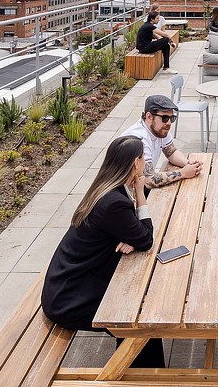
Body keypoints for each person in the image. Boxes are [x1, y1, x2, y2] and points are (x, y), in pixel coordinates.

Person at [41, 135, 165, 367]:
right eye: (142, 158)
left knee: (138, 309)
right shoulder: (114, 203)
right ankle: (139, 377)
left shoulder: (104, 190)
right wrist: (140, 194)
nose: (145, 161)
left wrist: (131, 235)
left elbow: (136, 235)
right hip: (70, 300)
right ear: (134, 164)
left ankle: (137, 370)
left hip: (70, 282)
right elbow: (146, 239)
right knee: (139, 320)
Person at [119, 95, 203, 196]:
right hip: (124, 195)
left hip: (137, 189)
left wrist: (188, 164)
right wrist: (183, 173)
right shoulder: (139, 139)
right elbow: (149, 180)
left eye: (172, 118)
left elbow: (171, 152)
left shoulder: (159, 129)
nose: (168, 123)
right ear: (149, 117)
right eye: (164, 118)